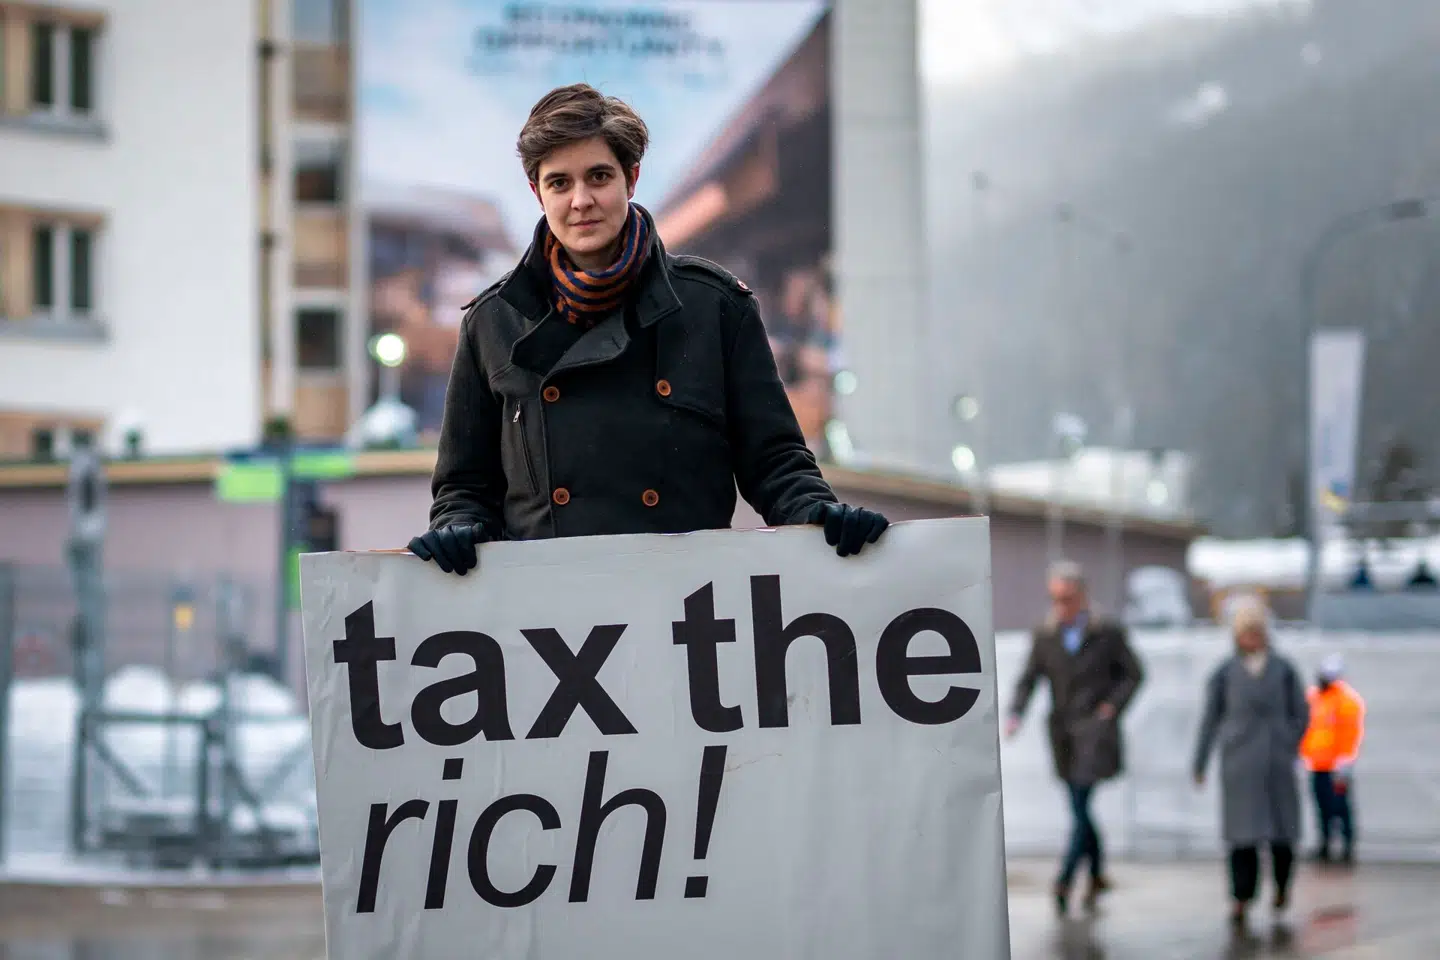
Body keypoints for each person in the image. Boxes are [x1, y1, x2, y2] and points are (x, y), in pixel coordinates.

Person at [406, 84, 888, 572]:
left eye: (598, 177)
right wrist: (457, 528)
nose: (581, 200)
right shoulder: (492, 322)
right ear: (538, 193)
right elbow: (465, 487)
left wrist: (818, 514)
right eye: (559, 183)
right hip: (549, 601)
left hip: (686, 597)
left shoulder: (715, 307)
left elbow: (775, 460)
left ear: (631, 178)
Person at [1005, 560, 1145, 916]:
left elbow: (1133, 674)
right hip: (1063, 732)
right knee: (1079, 806)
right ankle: (1096, 874)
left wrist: (1112, 707)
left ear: (1081, 595)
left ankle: (1065, 879)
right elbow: (1029, 678)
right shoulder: (1046, 634)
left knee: (1080, 802)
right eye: (1055, 598)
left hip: (1095, 730)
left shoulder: (1106, 632)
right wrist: (1016, 713)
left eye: (1066, 598)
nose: (1061, 605)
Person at [1192, 597, 1310, 933]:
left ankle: (1282, 887)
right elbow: (1210, 719)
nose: (1252, 639)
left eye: (1256, 632)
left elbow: (1301, 712)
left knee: (1282, 832)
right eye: (1246, 633)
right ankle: (1241, 896)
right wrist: (1201, 761)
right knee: (1242, 837)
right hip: (1240, 764)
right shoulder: (1225, 673)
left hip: (1276, 762)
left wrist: (1288, 741)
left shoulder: (1283, 670)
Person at [1300, 653, 1365, 865]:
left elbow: (1350, 733)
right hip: (1317, 764)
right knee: (1322, 807)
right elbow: (1304, 727)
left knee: (1340, 808)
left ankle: (1347, 847)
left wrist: (1345, 760)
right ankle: (1325, 845)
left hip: (1336, 767)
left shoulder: (1346, 701)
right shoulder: (1314, 697)